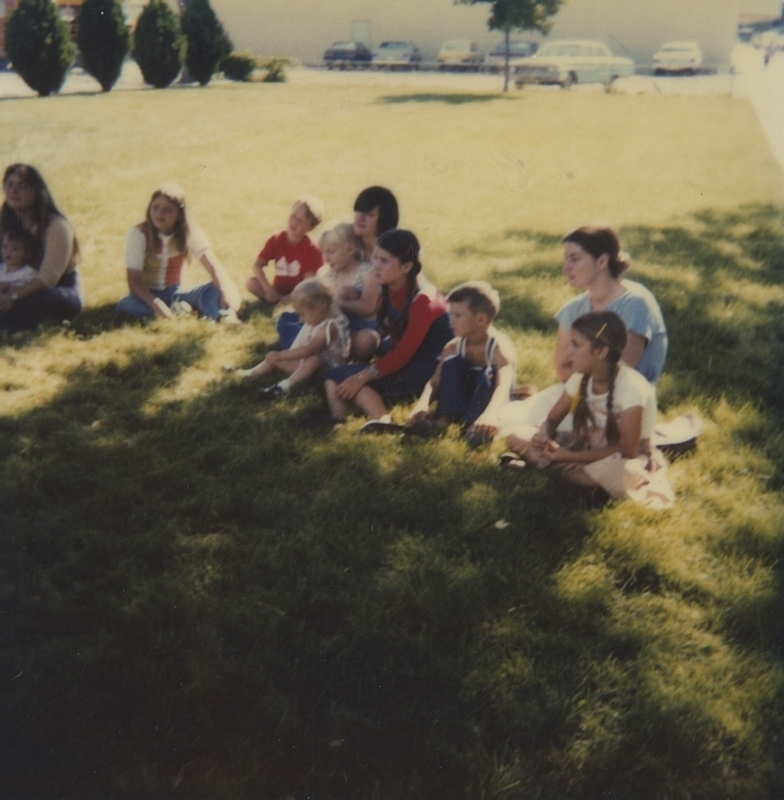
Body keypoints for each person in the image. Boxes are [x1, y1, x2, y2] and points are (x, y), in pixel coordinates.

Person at [498, 225, 667, 439]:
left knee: (540, 433)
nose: (565, 268)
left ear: (602, 261)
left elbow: (620, 371)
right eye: (565, 259)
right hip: (577, 392)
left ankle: (557, 454)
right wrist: (582, 378)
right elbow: (563, 367)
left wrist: (581, 375)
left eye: (574, 259)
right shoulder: (573, 309)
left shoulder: (635, 303)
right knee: (505, 422)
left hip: (623, 402)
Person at [508, 311, 673, 509]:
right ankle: (578, 479)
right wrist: (543, 436)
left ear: (601, 351)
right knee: (516, 434)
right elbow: (552, 419)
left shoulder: (632, 389)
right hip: (584, 441)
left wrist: (568, 457)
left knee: (623, 472)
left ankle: (558, 472)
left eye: (576, 345)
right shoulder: (580, 378)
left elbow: (627, 449)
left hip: (621, 455)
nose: (568, 352)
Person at [319, 229, 452, 428]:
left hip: (429, 369)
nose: (375, 267)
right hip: (406, 360)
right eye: (375, 259)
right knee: (331, 378)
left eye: (384, 261)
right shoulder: (390, 285)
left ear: (406, 266)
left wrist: (362, 376)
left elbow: (403, 355)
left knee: (346, 379)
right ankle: (339, 421)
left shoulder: (424, 300)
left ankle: (383, 421)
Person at [404, 280, 516, 446]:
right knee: (451, 363)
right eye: (451, 315)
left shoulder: (499, 348)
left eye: (457, 315)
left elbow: (503, 386)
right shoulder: (454, 346)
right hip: (464, 398)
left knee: (488, 373)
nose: (451, 321)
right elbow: (435, 381)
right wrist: (422, 404)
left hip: (490, 404)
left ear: (480, 319)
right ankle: (443, 421)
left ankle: (476, 426)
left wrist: (490, 414)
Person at [117, 183, 241, 322]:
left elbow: (213, 266)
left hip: (177, 291)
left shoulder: (189, 232)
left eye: (167, 210)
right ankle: (179, 310)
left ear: (179, 214)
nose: (159, 214)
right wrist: (156, 304)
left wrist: (224, 292)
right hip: (148, 293)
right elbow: (134, 282)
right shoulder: (138, 234)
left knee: (220, 286)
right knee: (126, 304)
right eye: (155, 207)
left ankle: (222, 316)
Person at [234, 278, 350, 401]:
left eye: (302, 314)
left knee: (313, 359)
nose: (300, 320)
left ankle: (283, 387)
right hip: (308, 369)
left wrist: (281, 355)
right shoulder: (317, 317)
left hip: (328, 371)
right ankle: (251, 373)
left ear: (320, 307)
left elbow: (308, 350)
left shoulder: (329, 326)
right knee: (276, 358)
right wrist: (278, 357)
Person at [0, 164, 83, 332]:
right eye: (10, 185)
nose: (14, 191)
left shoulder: (56, 226)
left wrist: (13, 297)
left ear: (37, 191)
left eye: (22, 186)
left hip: (53, 288)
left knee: (48, 301)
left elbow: (48, 279)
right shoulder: (4, 220)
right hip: (8, 282)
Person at [245, 195, 324, 306]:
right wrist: (268, 289)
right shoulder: (277, 239)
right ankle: (275, 300)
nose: (294, 222)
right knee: (251, 283)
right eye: (293, 216)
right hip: (278, 290)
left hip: (299, 292)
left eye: (300, 221)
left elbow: (307, 285)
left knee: (307, 295)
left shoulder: (312, 249)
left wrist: (287, 300)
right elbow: (257, 265)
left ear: (311, 227)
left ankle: (280, 303)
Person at [317, 221, 380, 360]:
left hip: (359, 327)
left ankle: (330, 356)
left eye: (331, 252)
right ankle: (324, 354)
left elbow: (368, 307)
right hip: (334, 327)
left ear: (351, 249)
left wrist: (335, 302)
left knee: (368, 340)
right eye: (324, 252)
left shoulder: (367, 273)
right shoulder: (327, 274)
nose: (326, 258)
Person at [352, 185, 399, 262]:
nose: (360, 218)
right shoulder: (346, 244)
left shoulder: (396, 254)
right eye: (358, 211)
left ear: (384, 219)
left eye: (369, 215)